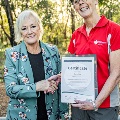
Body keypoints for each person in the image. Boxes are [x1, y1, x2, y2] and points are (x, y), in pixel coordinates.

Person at [4, 9, 68, 120]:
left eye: (33, 26)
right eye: (24, 28)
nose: (29, 32)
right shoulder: (12, 55)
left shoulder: (53, 51)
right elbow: (10, 89)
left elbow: (62, 86)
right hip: (21, 116)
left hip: (50, 116)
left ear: (39, 27)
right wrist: (38, 87)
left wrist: (64, 115)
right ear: (20, 32)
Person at [68, 0, 120, 120]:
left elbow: (116, 73)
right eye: (76, 1)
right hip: (79, 104)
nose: (81, 3)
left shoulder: (114, 30)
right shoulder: (76, 35)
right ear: (75, 7)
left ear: (95, 1)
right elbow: (71, 69)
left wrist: (95, 103)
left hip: (104, 107)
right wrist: (61, 76)